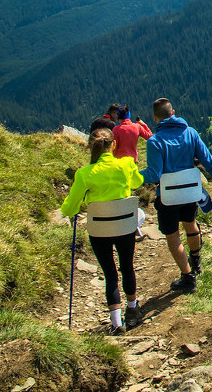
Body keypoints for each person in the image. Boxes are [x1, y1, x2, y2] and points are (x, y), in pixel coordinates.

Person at [61, 128, 145, 334]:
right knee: (127, 266)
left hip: (100, 230)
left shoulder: (84, 174)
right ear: (114, 144)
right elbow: (138, 182)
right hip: (125, 226)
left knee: (110, 273)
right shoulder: (125, 164)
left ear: (91, 147)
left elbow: (69, 209)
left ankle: (116, 322)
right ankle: (132, 308)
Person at [141, 97, 212, 293]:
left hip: (168, 196)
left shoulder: (155, 142)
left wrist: (134, 176)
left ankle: (187, 277)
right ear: (173, 113)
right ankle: (196, 261)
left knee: (173, 236)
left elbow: (154, 174)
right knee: (190, 224)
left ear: (155, 118)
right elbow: (207, 159)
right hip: (190, 192)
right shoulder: (191, 133)